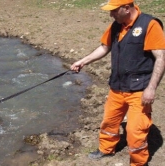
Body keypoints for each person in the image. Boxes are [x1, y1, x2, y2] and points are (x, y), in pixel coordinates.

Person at [70, 0, 165, 165]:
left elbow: (161, 57)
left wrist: (151, 88)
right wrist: (83, 61)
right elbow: (104, 48)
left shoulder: (150, 24)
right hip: (117, 86)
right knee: (109, 122)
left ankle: (138, 162)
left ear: (126, 8)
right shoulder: (116, 25)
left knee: (135, 131)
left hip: (139, 89)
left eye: (114, 11)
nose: (111, 14)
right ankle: (106, 150)